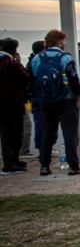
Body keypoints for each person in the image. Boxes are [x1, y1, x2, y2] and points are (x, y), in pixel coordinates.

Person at [29, 29, 80, 176]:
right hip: (65, 100)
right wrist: (78, 98)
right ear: (59, 42)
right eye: (63, 41)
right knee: (69, 133)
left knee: (47, 132)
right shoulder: (65, 58)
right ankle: (73, 166)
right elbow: (74, 80)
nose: (65, 43)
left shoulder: (37, 58)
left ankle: (44, 165)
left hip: (45, 100)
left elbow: (30, 79)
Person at [0, 38, 30, 175]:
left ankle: (11, 160)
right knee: (15, 133)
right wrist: (18, 62)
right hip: (13, 103)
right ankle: (11, 162)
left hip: (4, 104)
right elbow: (25, 77)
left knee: (6, 134)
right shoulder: (11, 63)